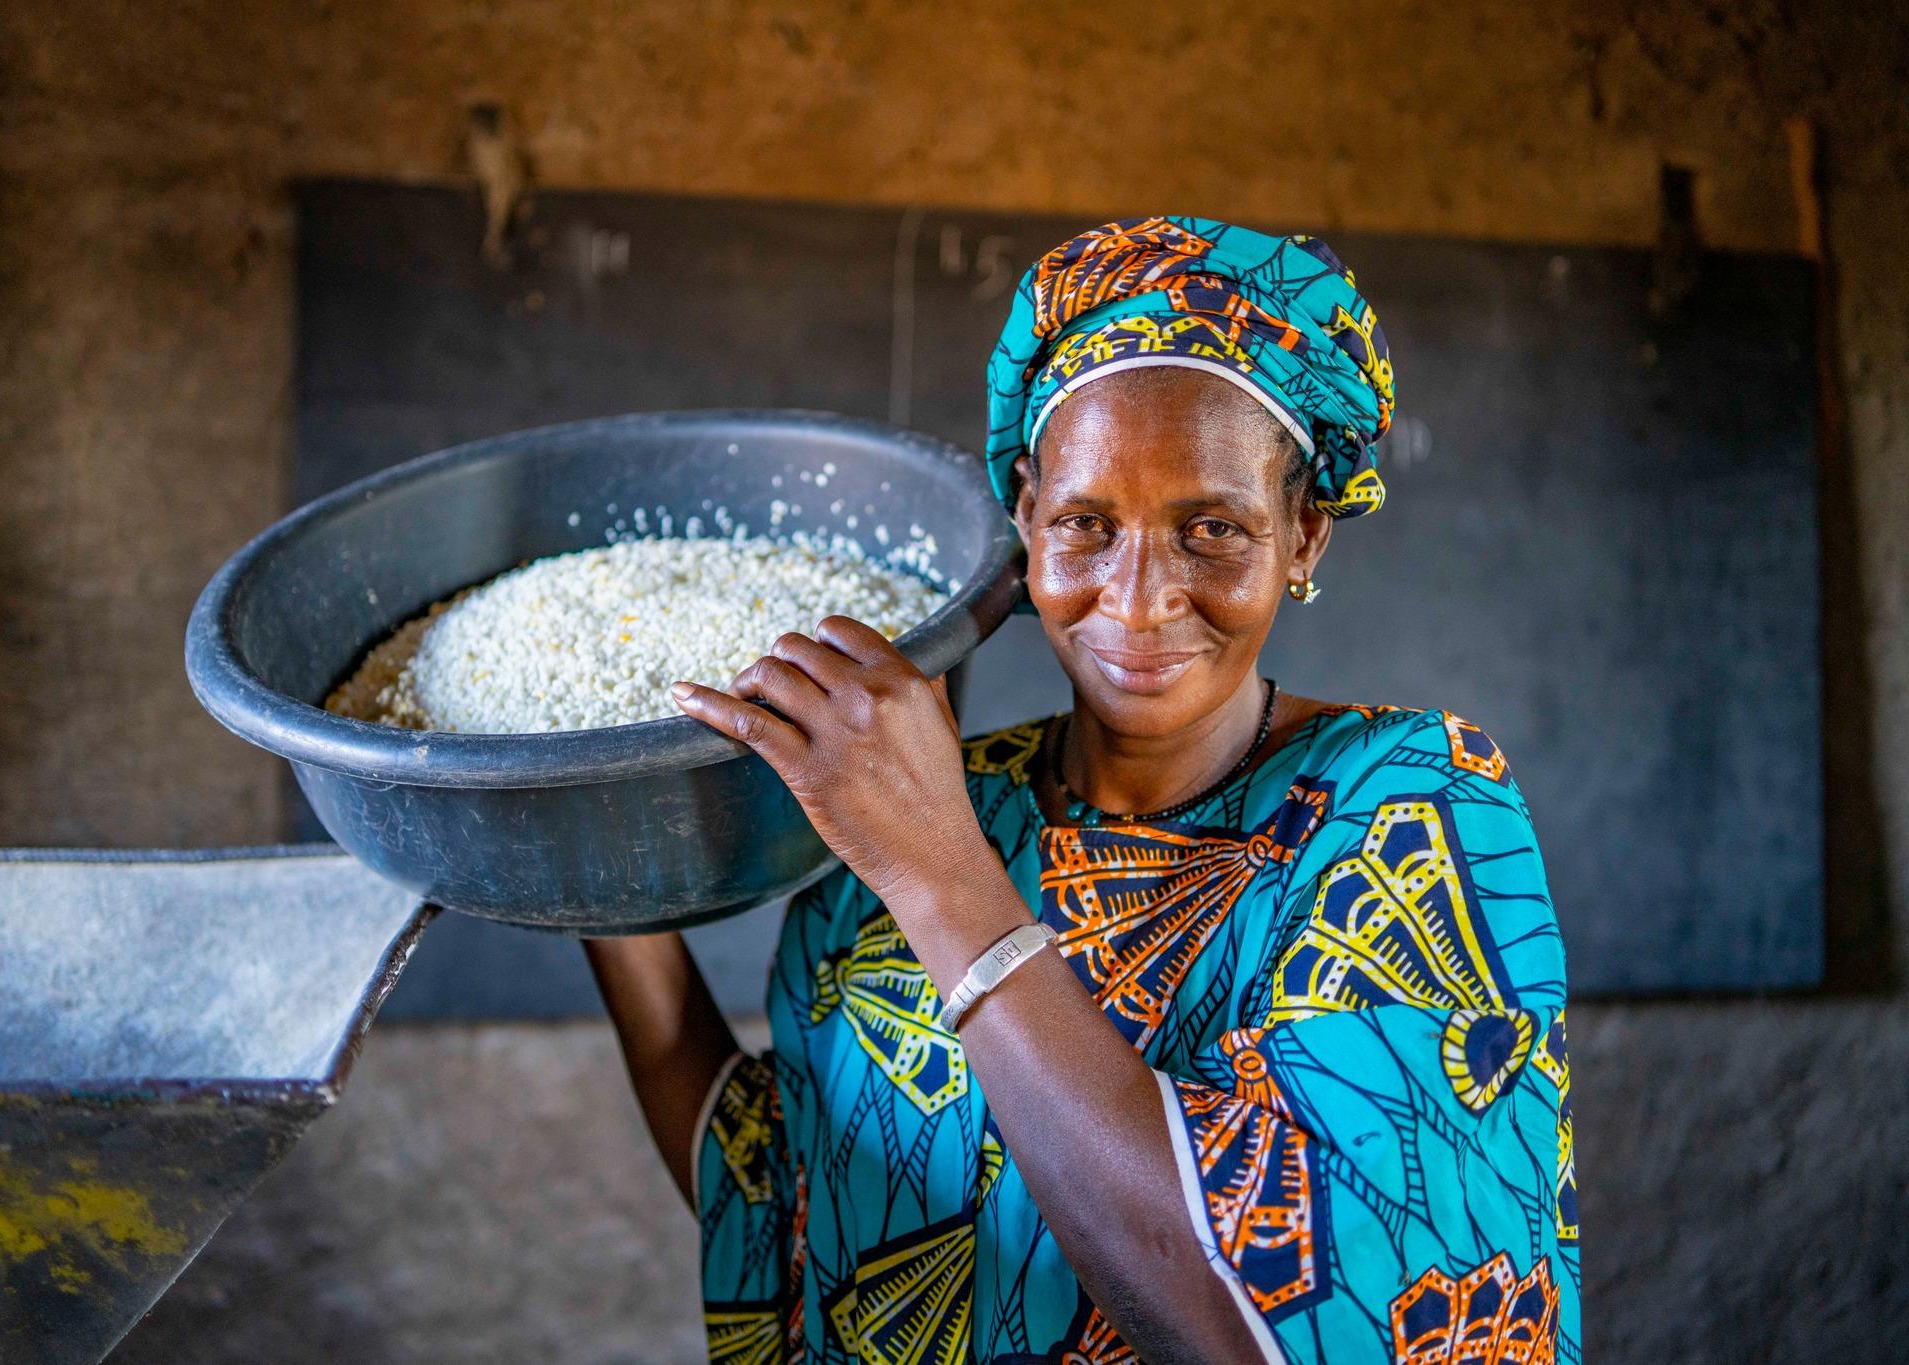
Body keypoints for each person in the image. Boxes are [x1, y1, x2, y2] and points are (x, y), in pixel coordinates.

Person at [585, 217, 1578, 1363]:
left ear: (1301, 536)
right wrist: (592, 854)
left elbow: (1256, 1323)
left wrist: (943, 879)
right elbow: (777, 1191)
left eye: (1211, 529)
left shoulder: (1401, 813)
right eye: (1084, 526)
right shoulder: (925, 802)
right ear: (1022, 516)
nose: (1139, 598)